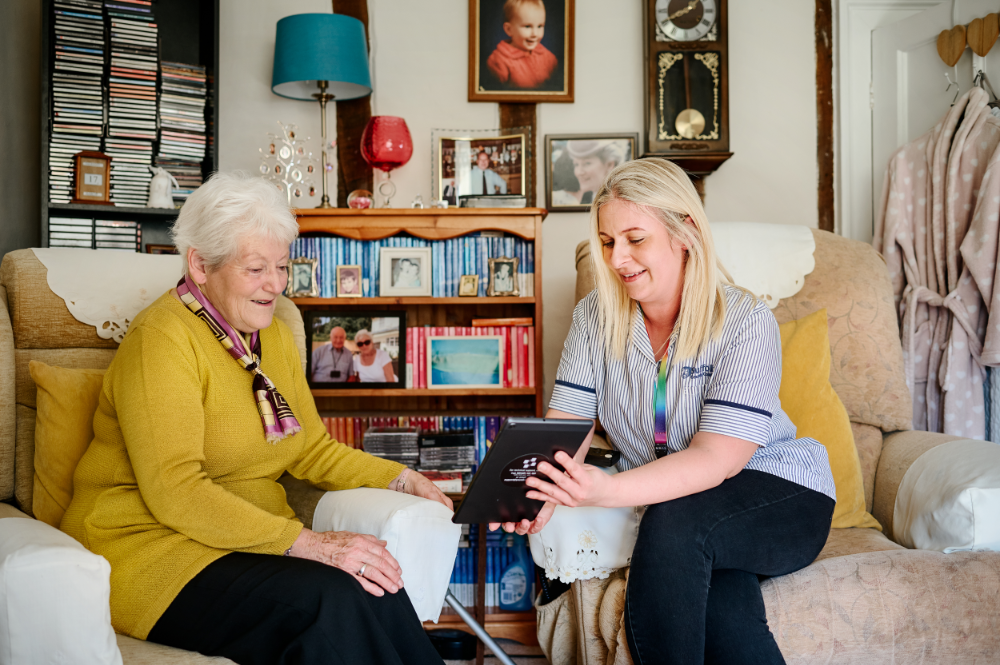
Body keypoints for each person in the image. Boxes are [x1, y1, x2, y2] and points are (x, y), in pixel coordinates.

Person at [60, 171, 450, 665]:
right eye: (256, 269)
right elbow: (176, 491)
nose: (274, 285)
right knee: (328, 602)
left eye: (282, 267)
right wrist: (311, 544)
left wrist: (402, 477)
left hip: (241, 544)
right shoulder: (161, 340)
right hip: (149, 551)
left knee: (375, 584)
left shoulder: (275, 337)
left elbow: (310, 447)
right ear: (200, 265)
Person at [493, 158, 836, 665]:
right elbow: (567, 428)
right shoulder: (595, 317)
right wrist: (541, 493)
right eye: (608, 242)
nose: (618, 258)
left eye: (636, 239)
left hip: (781, 494)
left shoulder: (745, 320)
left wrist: (605, 490)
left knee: (673, 522)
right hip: (689, 510)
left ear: (685, 233)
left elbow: (718, 458)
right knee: (723, 603)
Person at [486, 0, 558, 90]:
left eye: (540, 26)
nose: (535, 33)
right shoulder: (499, 61)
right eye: (527, 26)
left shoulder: (549, 58)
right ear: (509, 29)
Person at [564, 140, 627, 206]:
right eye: (576, 164)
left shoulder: (620, 201)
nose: (579, 172)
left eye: (587, 163)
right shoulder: (587, 197)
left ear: (609, 164)